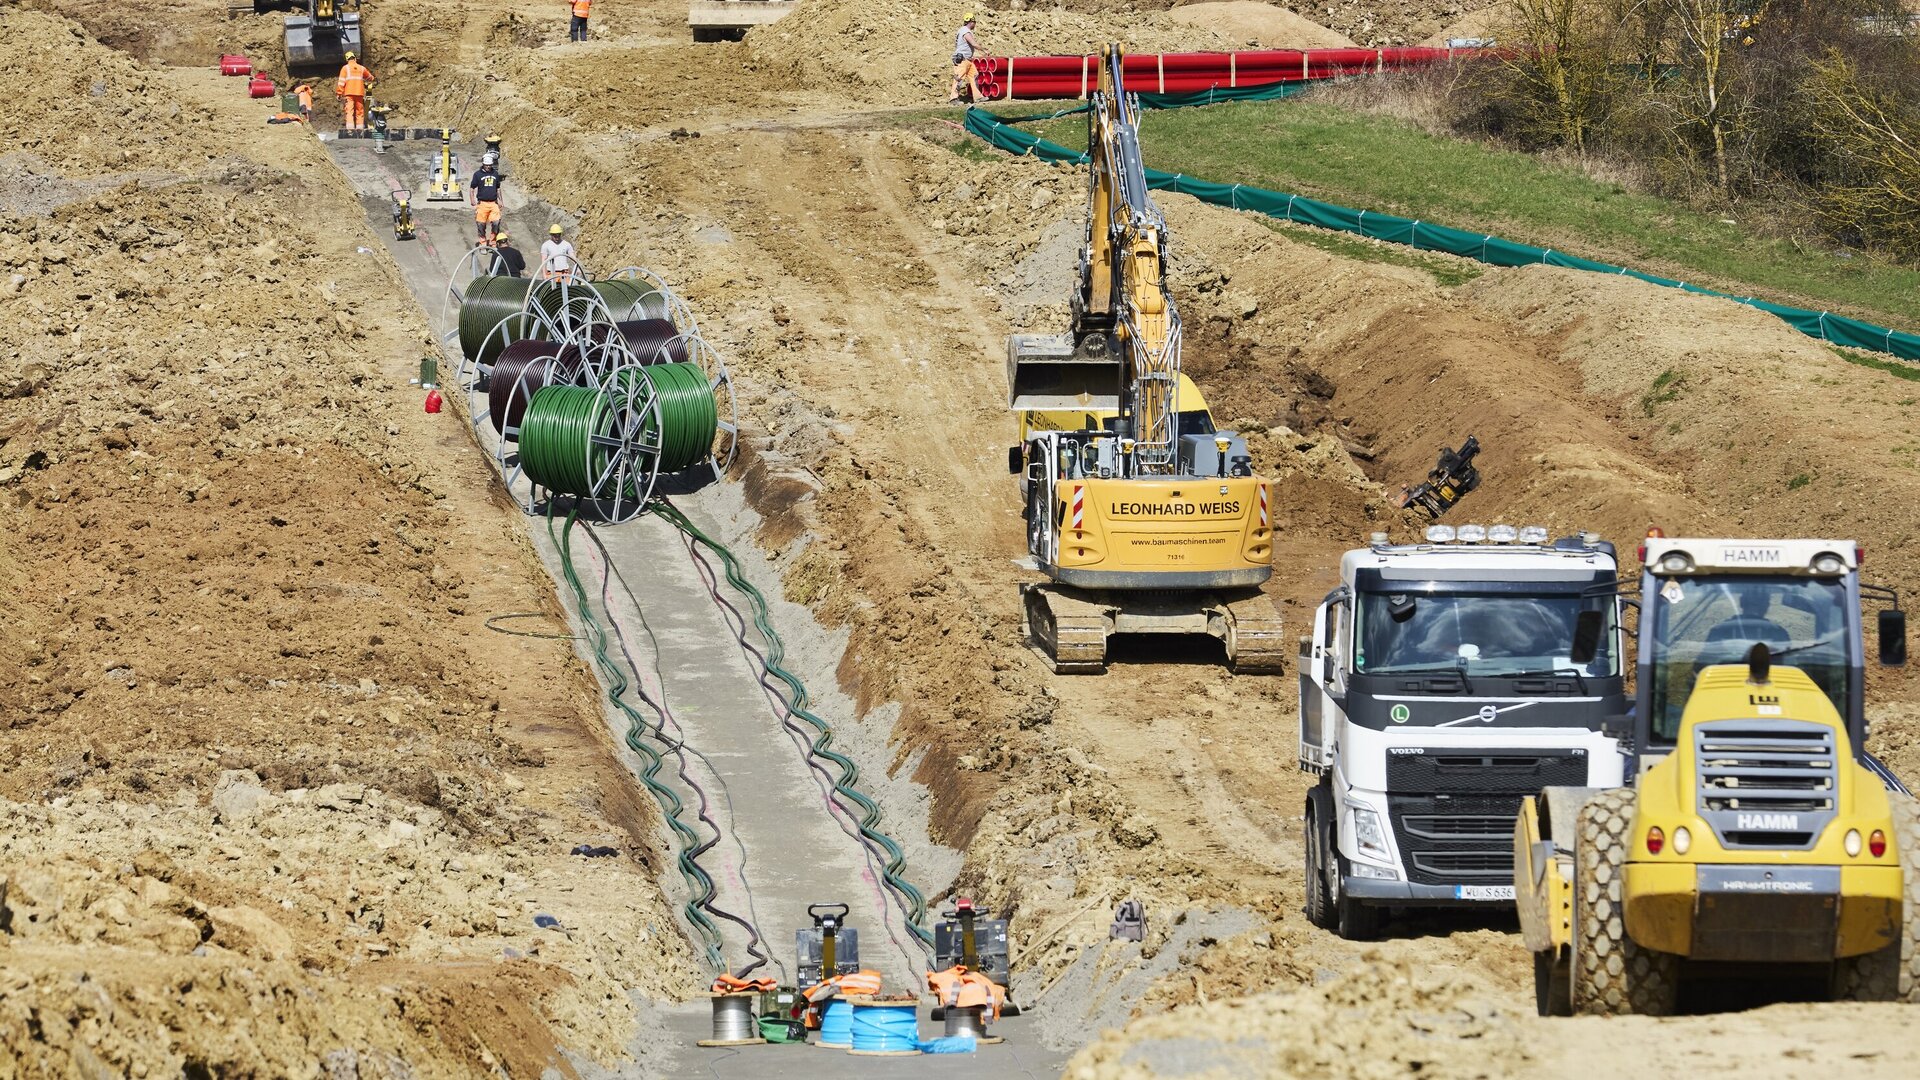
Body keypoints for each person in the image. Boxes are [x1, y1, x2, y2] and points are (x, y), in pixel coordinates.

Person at [335, 52, 374, 130]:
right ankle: (360, 128)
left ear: (347, 59)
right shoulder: (361, 68)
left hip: (349, 93)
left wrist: (339, 93)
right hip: (359, 93)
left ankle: (350, 129)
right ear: (355, 58)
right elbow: (370, 77)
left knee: (349, 111)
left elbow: (341, 82)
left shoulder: (345, 68)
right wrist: (371, 78)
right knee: (360, 111)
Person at [470, 158, 505, 245]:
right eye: (486, 165)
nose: (488, 167)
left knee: (496, 223)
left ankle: (493, 242)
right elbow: (472, 188)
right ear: (483, 164)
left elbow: (498, 188)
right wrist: (472, 199)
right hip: (482, 203)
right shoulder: (477, 174)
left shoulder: (495, 174)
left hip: (493, 203)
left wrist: (501, 201)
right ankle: (483, 242)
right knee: (481, 224)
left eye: (490, 165)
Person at [949, 14, 982, 104]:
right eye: (974, 23)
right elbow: (973, 43)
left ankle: (977, 97)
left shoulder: (963, 30)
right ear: (972, 22)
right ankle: (953, 99)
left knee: (974, 75)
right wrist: (984, 49)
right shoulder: (965, 31)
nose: (975, 25)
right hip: (962, 59)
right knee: (959, 78)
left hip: (967, 59)